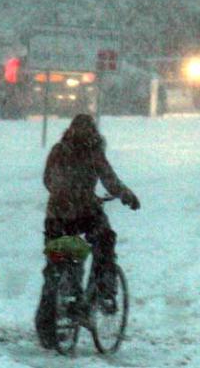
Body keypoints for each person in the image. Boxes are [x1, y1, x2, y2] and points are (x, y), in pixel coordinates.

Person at [35, 114, 140, 349]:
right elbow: (110, 181)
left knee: (56, 266)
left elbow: (48, 180)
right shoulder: (94, 152)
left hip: (57, 216)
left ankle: (50, 319)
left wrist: (64, 194)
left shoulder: (59, 150)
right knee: (104, 238)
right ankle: (104, 287)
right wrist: (126, 195)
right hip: (84, 214)